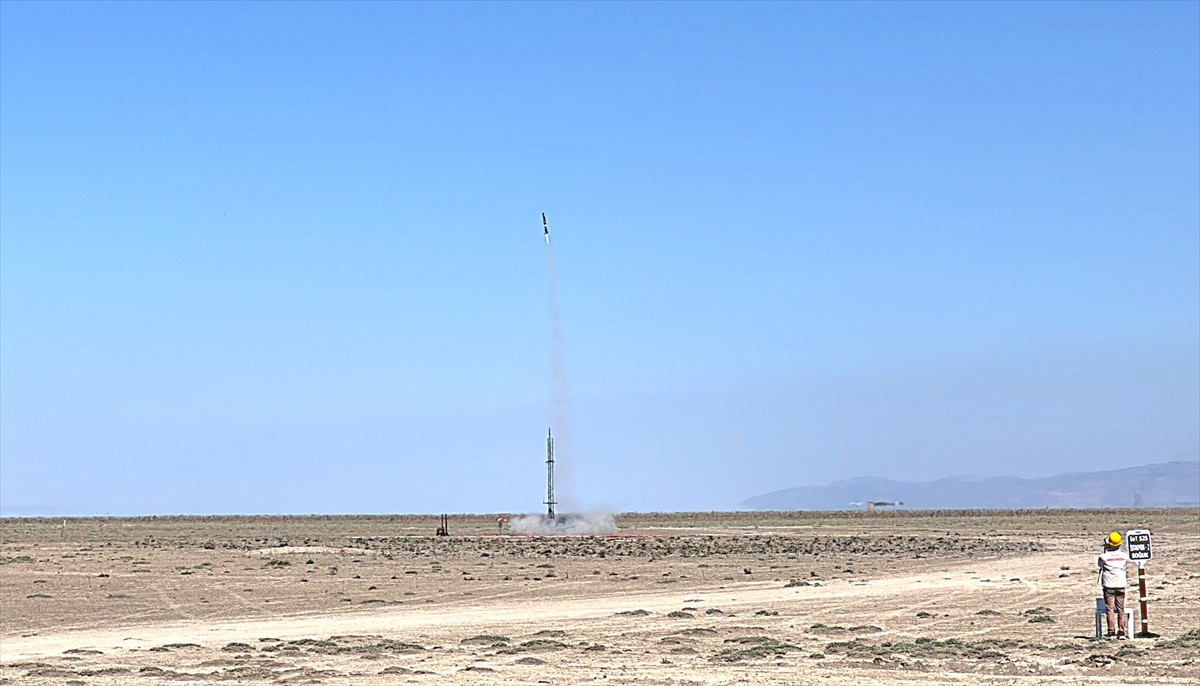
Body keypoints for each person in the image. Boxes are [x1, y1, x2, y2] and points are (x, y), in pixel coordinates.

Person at [1097, 531, 1130, 639]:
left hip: (1108, 586)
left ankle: (1111, 631)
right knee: (1121, 609)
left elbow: (1100, 566)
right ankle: (1122, 631)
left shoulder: (1103, 556)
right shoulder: (1125, 556)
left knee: (1110, 609)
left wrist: (1106, 550)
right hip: (1120, 585)